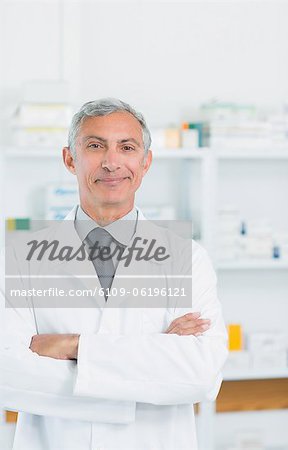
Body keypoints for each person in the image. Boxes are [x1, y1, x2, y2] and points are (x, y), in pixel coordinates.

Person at [0, 98, 228, 450]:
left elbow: (201, 375)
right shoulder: (20, 258)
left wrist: (74, 346)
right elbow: (8, 376)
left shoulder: (188, 258)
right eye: (95, 146)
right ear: (69, 159)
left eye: (127, 147)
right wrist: (155, 360)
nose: (111, 162)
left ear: (145, 161)